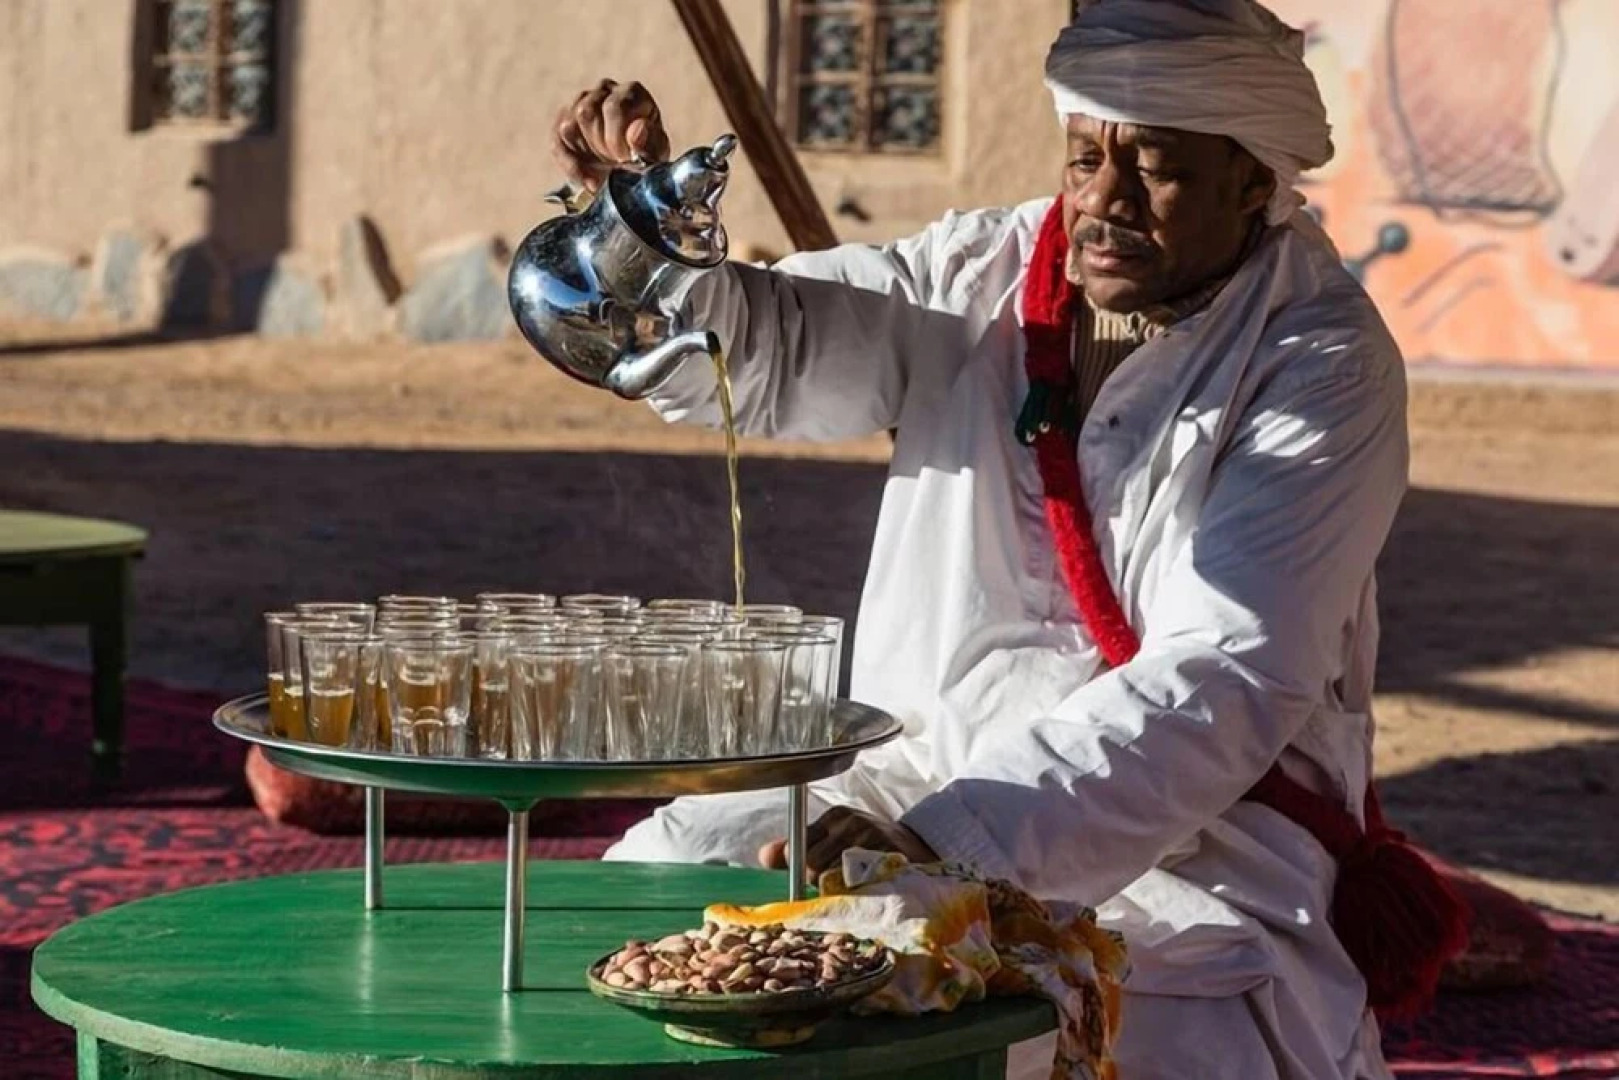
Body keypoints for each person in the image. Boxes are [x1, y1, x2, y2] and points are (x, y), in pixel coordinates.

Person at [552, 2, 1464, 1077]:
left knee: (1063, 1034)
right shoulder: (978, 269)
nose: (1104, 205)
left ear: (1253, 185)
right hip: (899, 786)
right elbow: (777, 339)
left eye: (1156, 169)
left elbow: (1224, 672)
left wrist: (954, 854)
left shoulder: (1319, 363)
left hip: (1178, 849)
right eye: (1085, 160)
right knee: (632, 902)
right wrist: (633, 242)